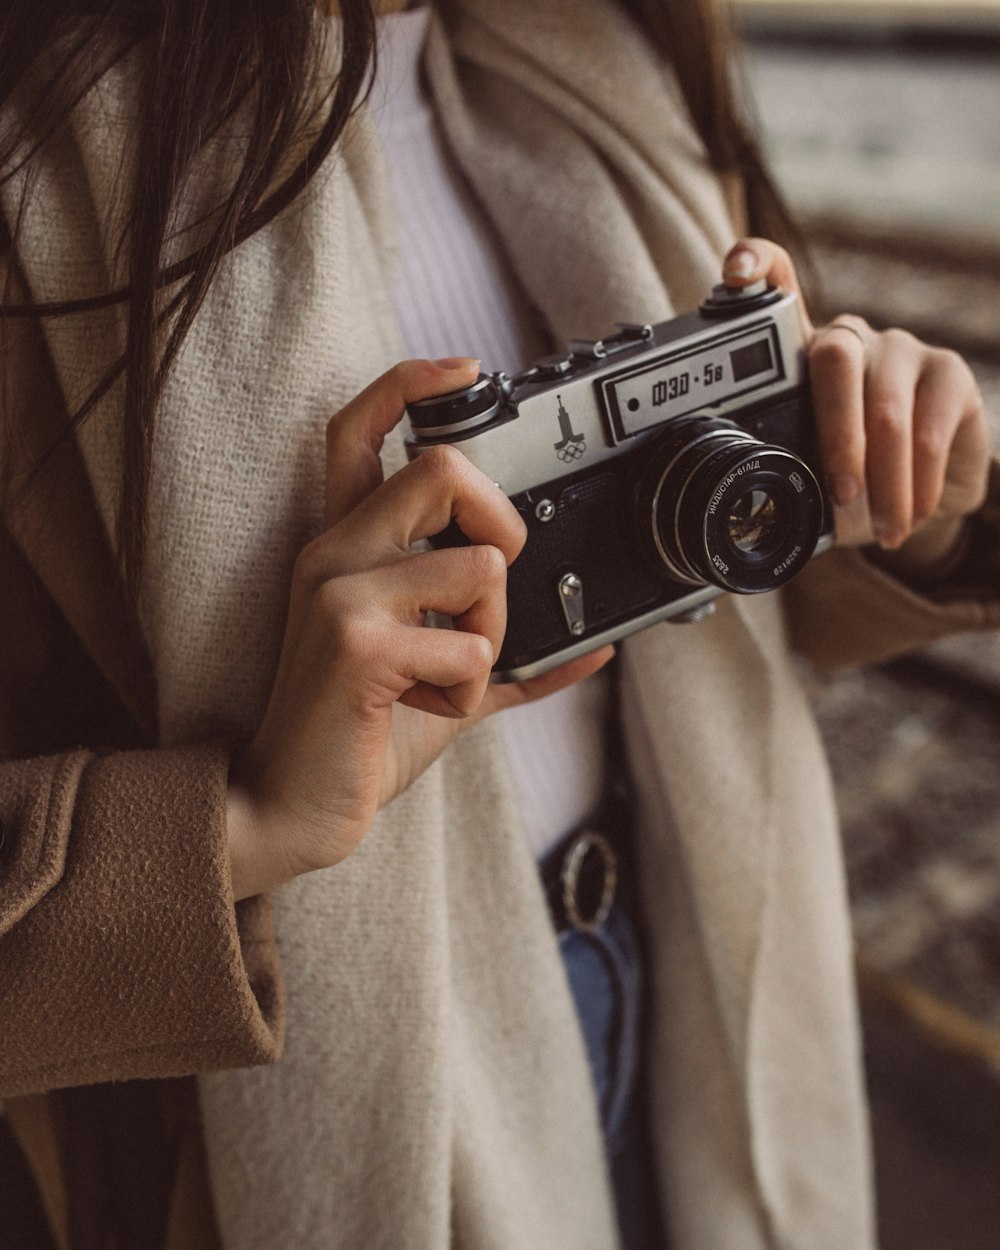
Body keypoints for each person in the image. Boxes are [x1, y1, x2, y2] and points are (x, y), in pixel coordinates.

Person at [1, 1, 997, 1247]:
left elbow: (729, 579)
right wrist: (239, 825)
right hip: (280, 1088)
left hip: (684, 966)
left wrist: (911, 487)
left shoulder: (606, 73)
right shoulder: (40, 171)